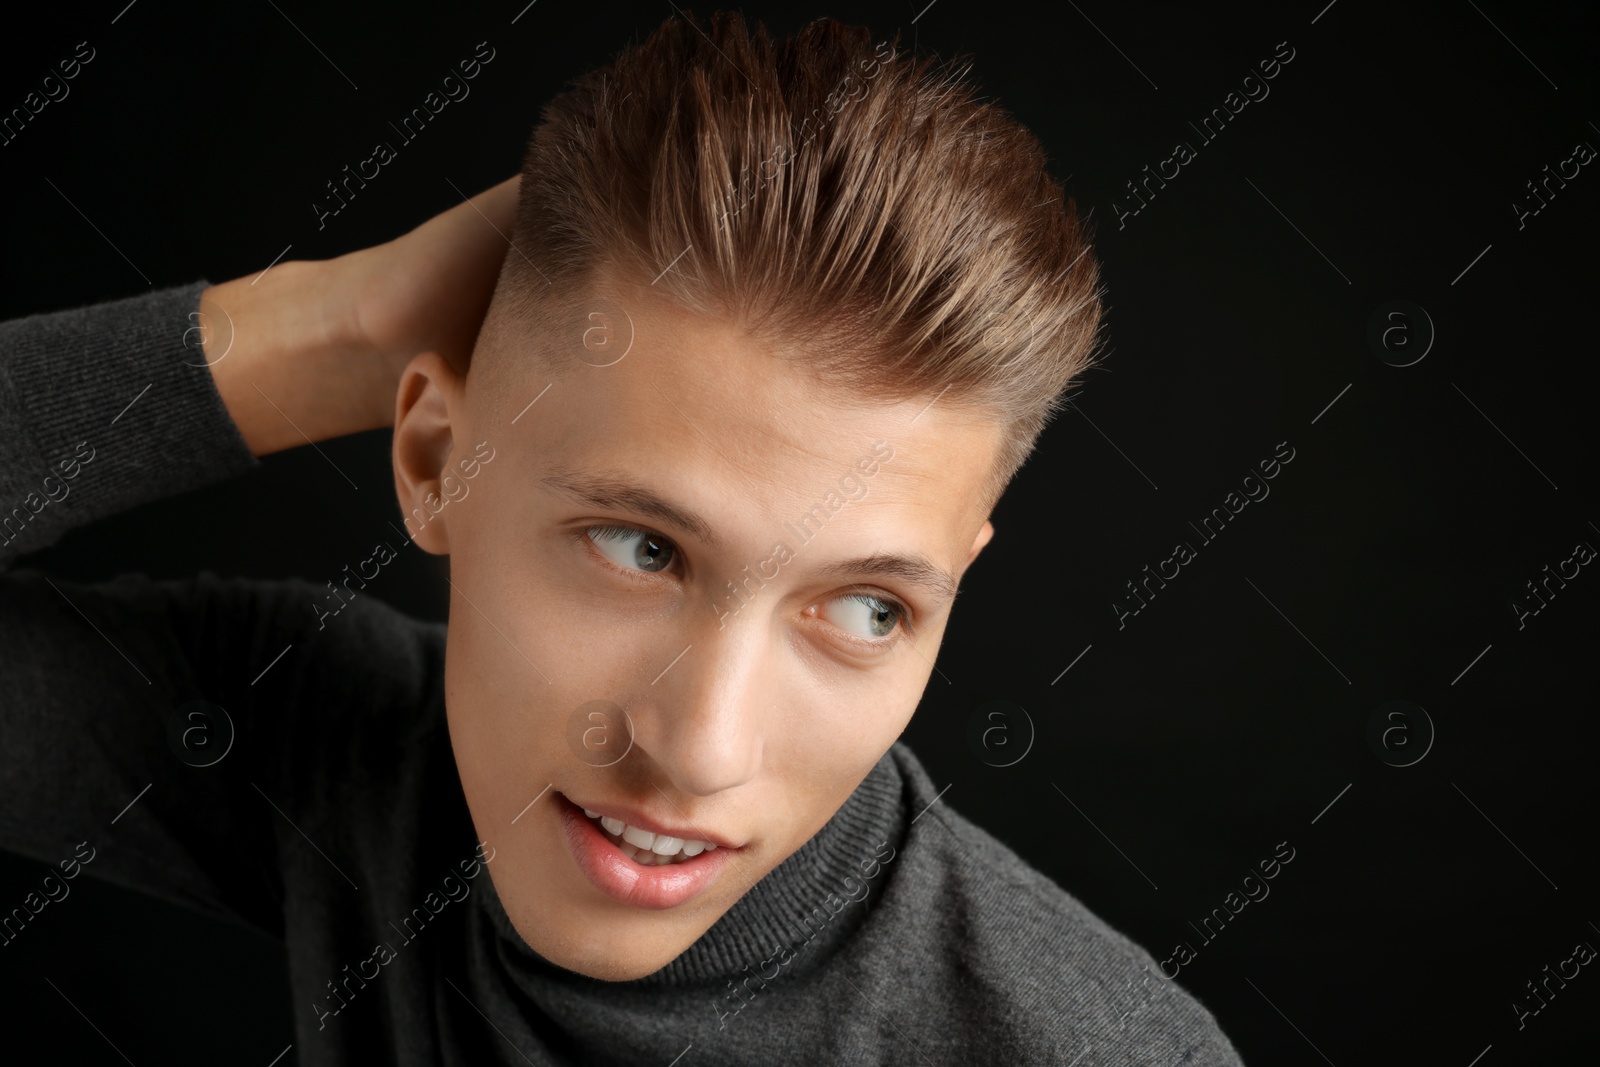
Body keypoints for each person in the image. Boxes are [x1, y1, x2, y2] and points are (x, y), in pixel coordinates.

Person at [0, 11, 1245, 1065]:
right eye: (640, 548)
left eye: (868, 608)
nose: (700, 753)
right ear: (437, 457)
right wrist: (326, 329)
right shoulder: (336, 755)